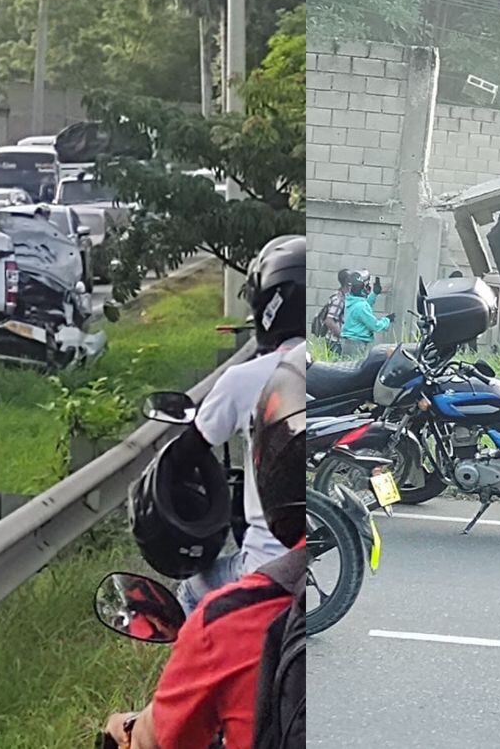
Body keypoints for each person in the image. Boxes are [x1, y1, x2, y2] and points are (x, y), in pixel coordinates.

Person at [106, 343, 306, 749]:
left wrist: (125, 729)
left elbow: (159, 740)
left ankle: (190, 677)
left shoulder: (233, 620)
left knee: (192, 594)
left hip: (259, 563)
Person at [134, 235, 305, 615]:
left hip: (265, 566)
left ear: (270, 302)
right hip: (323, 564)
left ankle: (200, 671)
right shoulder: (331, 373)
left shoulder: (244, 380)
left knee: (192, 591)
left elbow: (188, 450)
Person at [339, 270, 389, 358]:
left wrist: (374, 294)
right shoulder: (360, 306)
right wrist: (387, 320)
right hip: (357, 344)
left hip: (348, 343)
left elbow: (364, 306)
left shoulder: (351, 300)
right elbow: (375, 326)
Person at [315, 268, 352, 354]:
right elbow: (329, 321)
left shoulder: (344, 296)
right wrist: (343, 336)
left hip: (337, 342)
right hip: (335, 343)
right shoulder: (339, 299)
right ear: (347, 282)